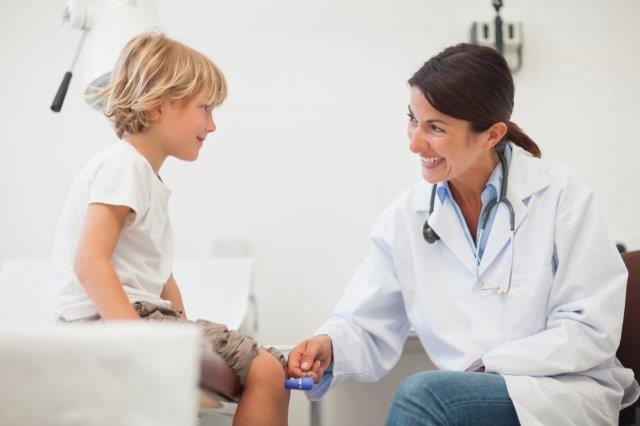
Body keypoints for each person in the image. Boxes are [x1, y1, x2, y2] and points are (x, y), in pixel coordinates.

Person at [287, 43, 640, 425]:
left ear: (491, 135)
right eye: (413, 120)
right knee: (432, 395)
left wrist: (491, 366)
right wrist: (331, 346)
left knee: (424, 396)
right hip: (467, 395)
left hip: (560, 393)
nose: (414, 142)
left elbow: (589, 329)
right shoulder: (409, 216)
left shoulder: (560, 196)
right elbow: (365, 323)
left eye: (435, 128)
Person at [53, 32, 289, 426]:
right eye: (206, 108)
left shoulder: (140, 175)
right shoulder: (124, 167)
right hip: (118, 324)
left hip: (140, 318)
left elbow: (162, 280)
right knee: (267, 370)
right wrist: (146, 345)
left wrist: (184, 332)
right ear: (160, 105)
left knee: (269, 367)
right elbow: (90, 263)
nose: (212, 126)